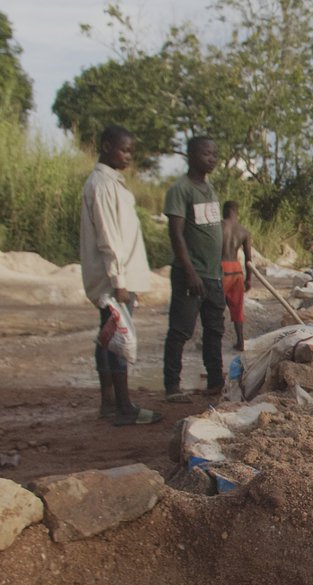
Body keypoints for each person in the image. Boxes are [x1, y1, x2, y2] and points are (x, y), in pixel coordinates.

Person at [79, 125, 161, 425]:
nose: (128, 156)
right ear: (105, 146)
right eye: (123, 150)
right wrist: (120, 281)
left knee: (108, 338)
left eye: (131, 152)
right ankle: (122, 407)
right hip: (114, 279)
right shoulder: (101, 184)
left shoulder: (113, 182)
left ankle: (111, 404)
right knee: (117, 341)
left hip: (119, 276)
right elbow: (108, 237)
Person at [162, 136, 226, 403]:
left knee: (215, 329)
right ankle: (172, 386)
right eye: (206, 154)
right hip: (192, 274)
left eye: (214, 154)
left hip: (214, 275)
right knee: (181, 330)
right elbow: (176, 234)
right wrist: (189, 271)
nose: (212, 158)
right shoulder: (180, 189)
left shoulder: (210, 190)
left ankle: (215, 382)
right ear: (191, 156)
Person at [220, 201, 253, 351]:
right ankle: (240, 342)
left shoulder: (219, 226)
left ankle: (214, 340)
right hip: (236, 269)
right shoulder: (244, 231)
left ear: (224, 211)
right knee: (237, 308)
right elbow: (248, 259)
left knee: (216, 306)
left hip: (221, 267)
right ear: (236, 212)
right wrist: (249, 279)